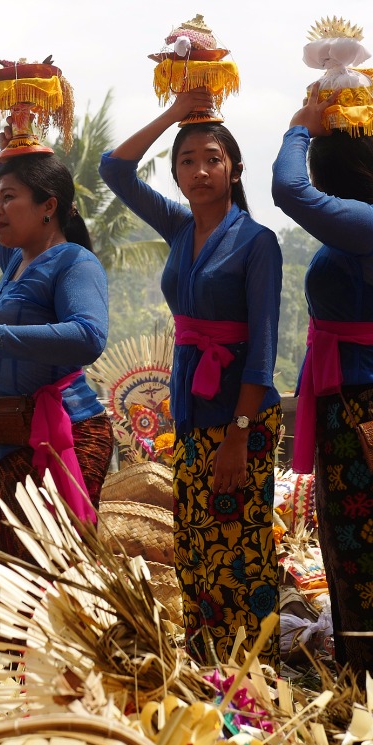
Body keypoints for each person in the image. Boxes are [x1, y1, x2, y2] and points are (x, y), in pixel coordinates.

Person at [101, 88, 283, 665]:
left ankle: (255, 676)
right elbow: (115, 168)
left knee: (242, 550)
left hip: (240, 417)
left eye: (213, 159)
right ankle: (207, 670)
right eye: (187, 161)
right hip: (191, 410)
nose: (200, 171)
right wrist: (176, 114)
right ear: (176, 173)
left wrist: (237, 434)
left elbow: (262, 350)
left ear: (233, 168)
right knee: (198, 550)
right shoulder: (179, 228)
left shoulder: (258, 243)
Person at [271, 85, 373, 709]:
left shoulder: (367, 223)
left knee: (372, 550)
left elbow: (288, 191)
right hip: (368, 394)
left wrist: (299, 126)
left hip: (369, 401)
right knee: (363, 548)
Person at [0, 129, 111, 560]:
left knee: (48, 581)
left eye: (10, 198)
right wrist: (4, 154)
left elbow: (89, 335)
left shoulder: (75, 262)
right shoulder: (15, 260)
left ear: (48, 207)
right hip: (10, 439)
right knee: (3, 585)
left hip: (63, 436)